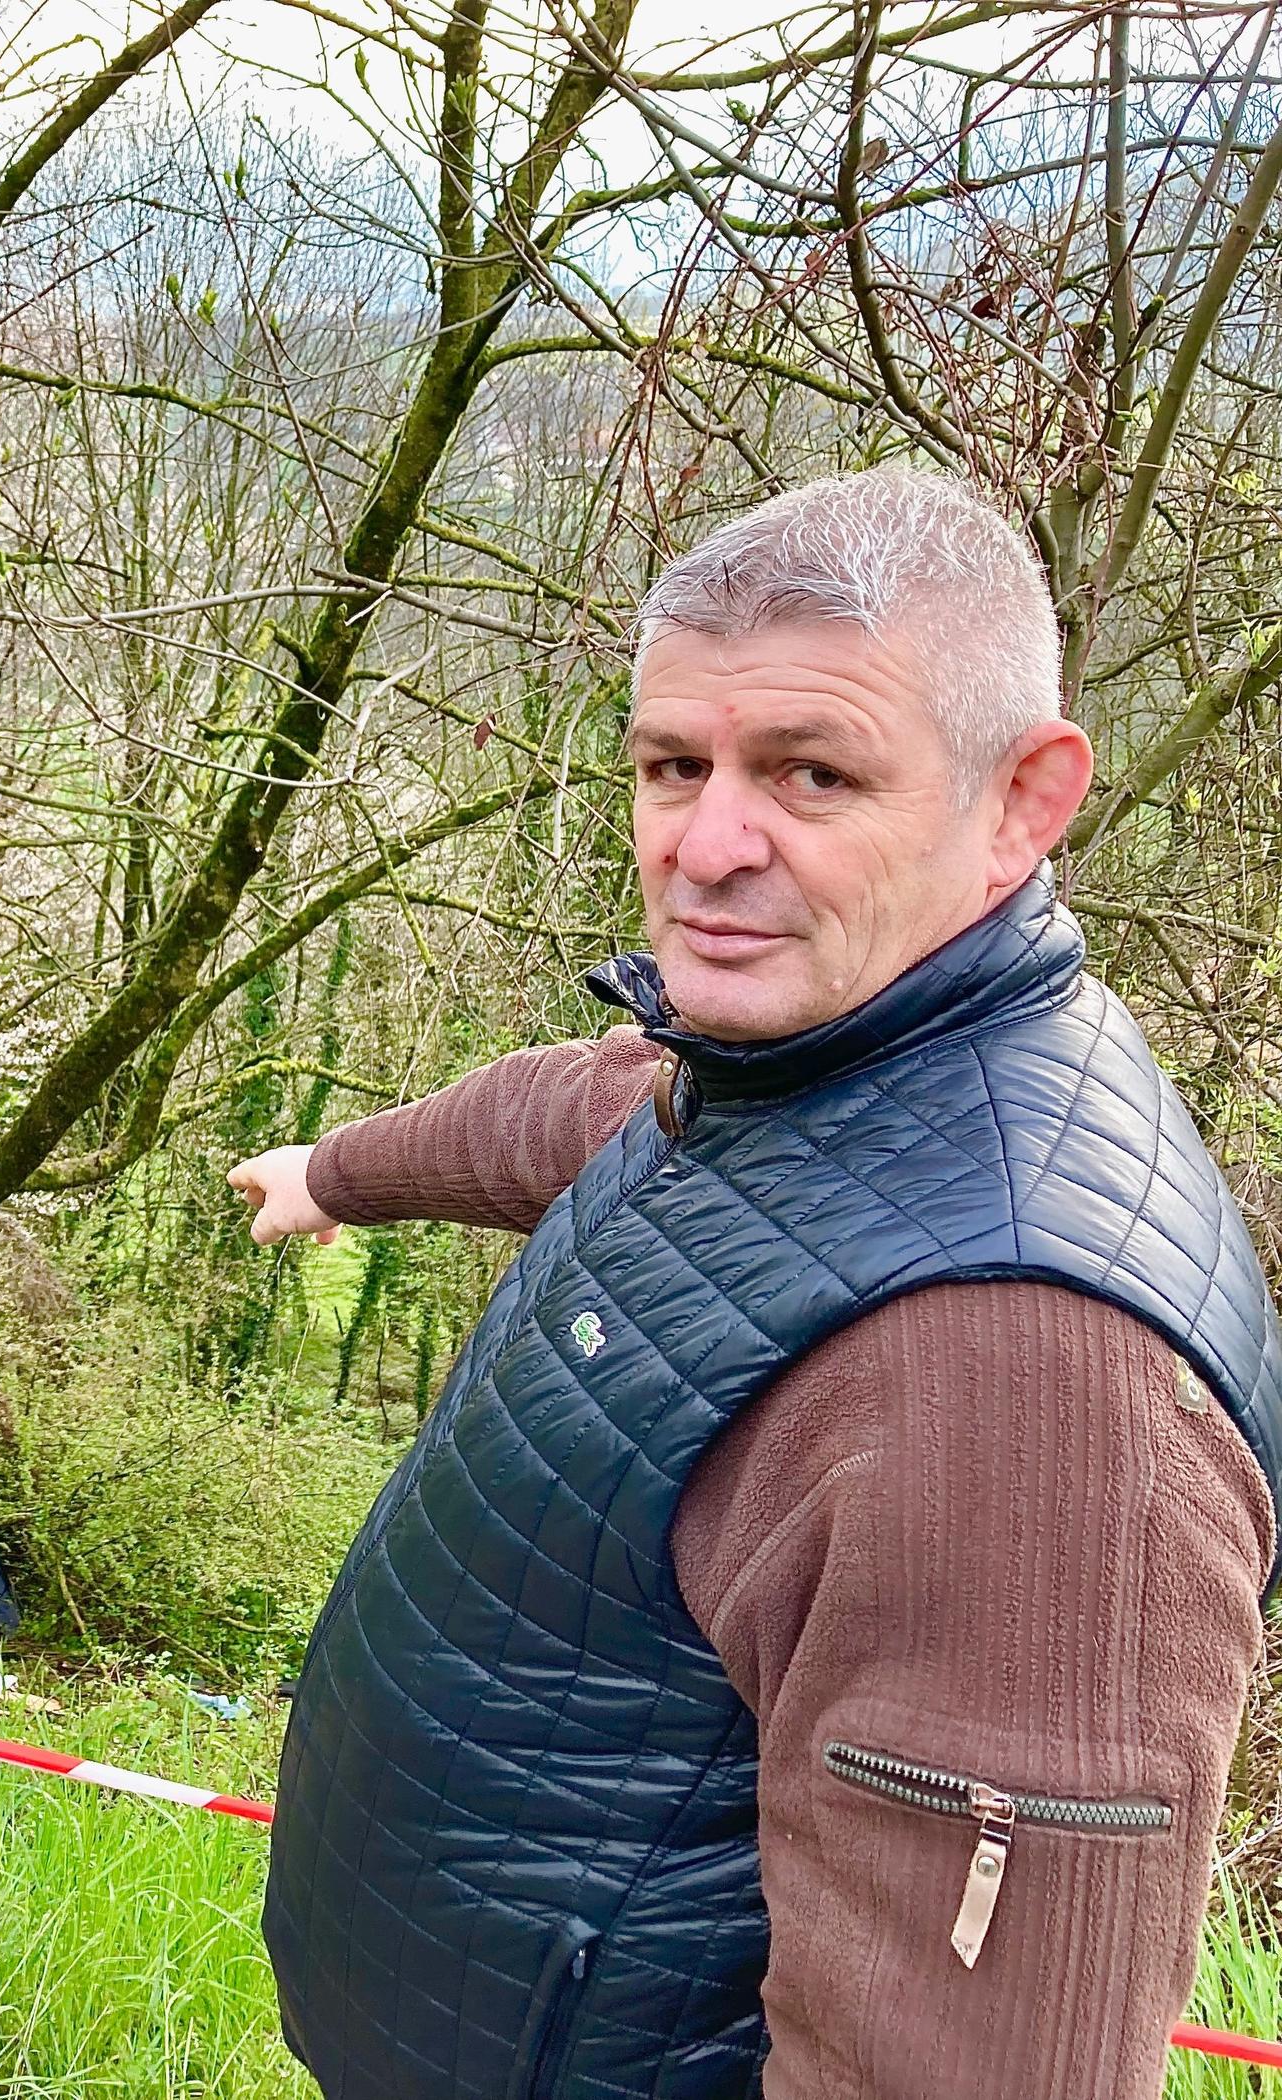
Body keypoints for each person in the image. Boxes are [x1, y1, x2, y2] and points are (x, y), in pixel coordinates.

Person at [229, 466, 1282, 2100]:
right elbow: (574, 1109)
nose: (707, 844)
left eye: (811, 771)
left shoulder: (1026, 1390)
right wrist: (331, 1174)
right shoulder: (805, 1073)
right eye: (674, 765)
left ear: (1022, 803)